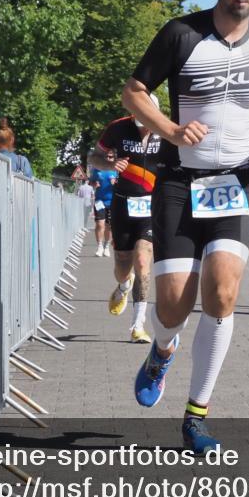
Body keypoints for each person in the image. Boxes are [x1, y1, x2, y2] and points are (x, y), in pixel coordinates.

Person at [122, 0, 249, 455]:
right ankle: (161, 350)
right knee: (173, 308)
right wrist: (169, 130)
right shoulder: (182, 34)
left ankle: (196, 417)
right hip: (180, 182)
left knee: (221, 294)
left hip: (236, 183)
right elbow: (134, 91)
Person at [89, 94, 163, 344]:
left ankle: (137, 326)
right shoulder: (118, 128)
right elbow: (94, 157)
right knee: (123, 263)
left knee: (143, 260)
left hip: (151, 207)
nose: (145, 128)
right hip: (122, 203)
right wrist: (110, 165)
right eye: (141, 120)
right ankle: (124, 284)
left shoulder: (166, 128)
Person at [91, 155, 118, 257]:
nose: (108, 159)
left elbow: (122, 183)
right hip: (100, 201)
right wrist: (94, 184)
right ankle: (99, 246)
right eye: (106, 156)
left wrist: (116, 182)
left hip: (112, 201)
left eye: (111, 157)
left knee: (109, 226)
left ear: (114, 158)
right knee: (99, 224)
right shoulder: (97, 169)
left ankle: (106, 247)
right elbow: (91, 181)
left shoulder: (116, 170)